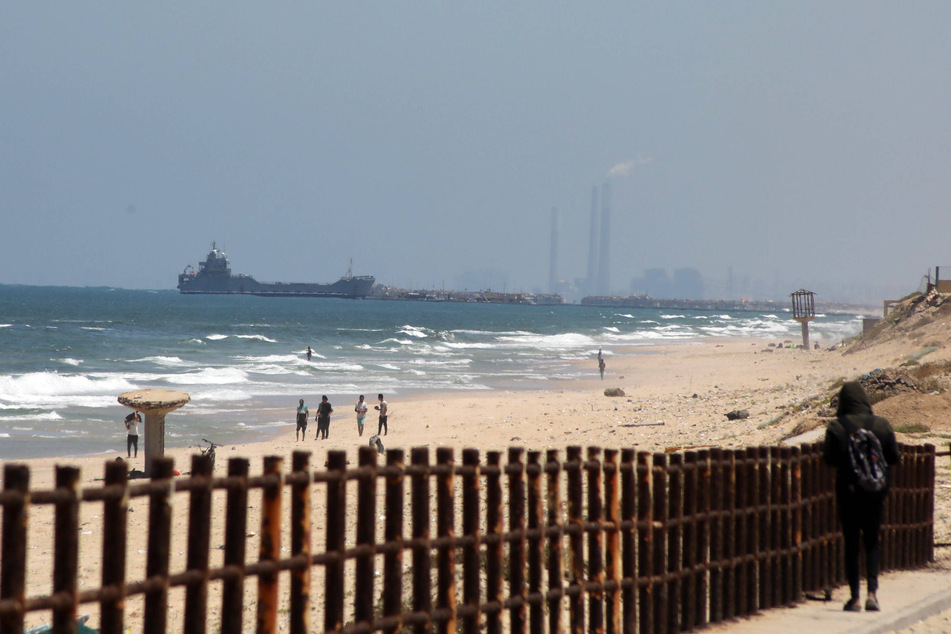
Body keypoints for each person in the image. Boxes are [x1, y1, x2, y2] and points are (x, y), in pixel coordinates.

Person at [822, 382, 900, 612]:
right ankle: (872, 595)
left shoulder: (836, 427)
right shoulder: (882, 426)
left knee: (852, 544)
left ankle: (854, 597)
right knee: (872, 542)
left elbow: (829, 460)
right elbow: (894, 458)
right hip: (876, 493)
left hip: (848, 492)